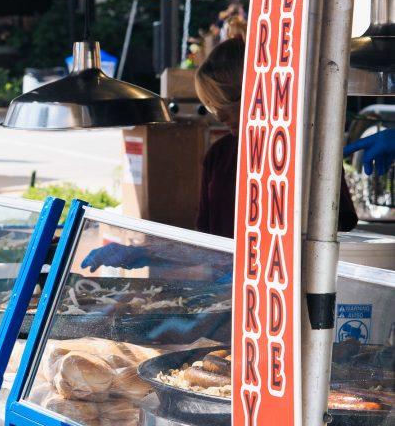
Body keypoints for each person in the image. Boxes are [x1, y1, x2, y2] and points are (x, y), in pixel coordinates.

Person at [83, 37, 358, 274]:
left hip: (285, 299)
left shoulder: (307, 150)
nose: (221, 115)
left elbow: (338, 227)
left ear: (259, 94)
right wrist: (148, 251)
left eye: (228, 102)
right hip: (227, 296)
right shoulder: (219, 155)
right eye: (213, 106)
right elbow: (205, 245)